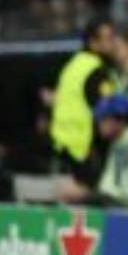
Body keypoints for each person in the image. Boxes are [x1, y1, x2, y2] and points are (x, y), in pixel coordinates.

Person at [49, 19, 120, 187]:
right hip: (87, 151)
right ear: (93, 43)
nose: (114, 43)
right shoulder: (97, 70)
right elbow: (106, 112)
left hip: (63, 146)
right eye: (108, 39)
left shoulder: (72, 65)